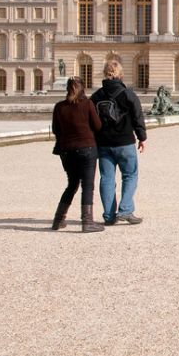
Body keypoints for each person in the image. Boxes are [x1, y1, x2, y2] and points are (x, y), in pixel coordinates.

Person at [91, 59, 147, 226]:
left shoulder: (96, 96)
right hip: (124, 142)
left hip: (103, 143)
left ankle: (109, 216)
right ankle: (125, 210)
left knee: (106, 178)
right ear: (120, 74)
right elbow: (138, 117)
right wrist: (142, 137)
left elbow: (90, 120)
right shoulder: (128, 94)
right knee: (130, 176)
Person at [51, 77, 104, 232]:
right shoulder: (87, 104)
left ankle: (58, 220)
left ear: (67, 89)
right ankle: (87, 222)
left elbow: (56, 130)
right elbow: (98, 125)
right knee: (87, 186)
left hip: (66, 151)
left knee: (72, 185)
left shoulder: (59, 107)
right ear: (83, 88)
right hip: (86, 148)